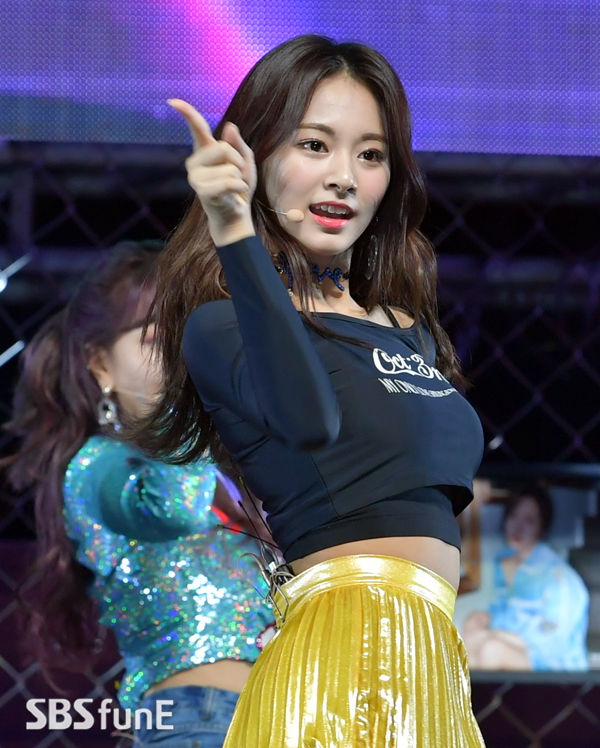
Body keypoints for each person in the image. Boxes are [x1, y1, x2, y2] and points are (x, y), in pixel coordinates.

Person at [139, 35, 486, 746]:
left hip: (431, 664)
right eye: (315, 145)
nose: (344, 178)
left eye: (371, 154)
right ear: (257, 157)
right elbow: (306, 421)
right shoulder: (222, 326)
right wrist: (234, 230)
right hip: (339, 663)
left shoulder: (410, 330)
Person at [2, 241, 274, 747]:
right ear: (99, 365)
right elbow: (174, 510)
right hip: (198, 720)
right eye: (155, 339)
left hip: (290, 718)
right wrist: (179, 404)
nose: (179, 355)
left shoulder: (229, 471)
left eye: (189, 338)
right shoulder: (98, 467)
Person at [462, 485, 589, 671]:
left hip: (556, 666)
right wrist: (482, 619)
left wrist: (497, 636)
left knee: (491, 649)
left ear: (542, 527)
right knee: (470, 639)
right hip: (515, 650)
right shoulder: (502, 563)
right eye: (513, 516)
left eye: (529, 521)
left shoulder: (559, 576)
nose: (518, 527)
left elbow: (555, 641)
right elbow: (506, 613)